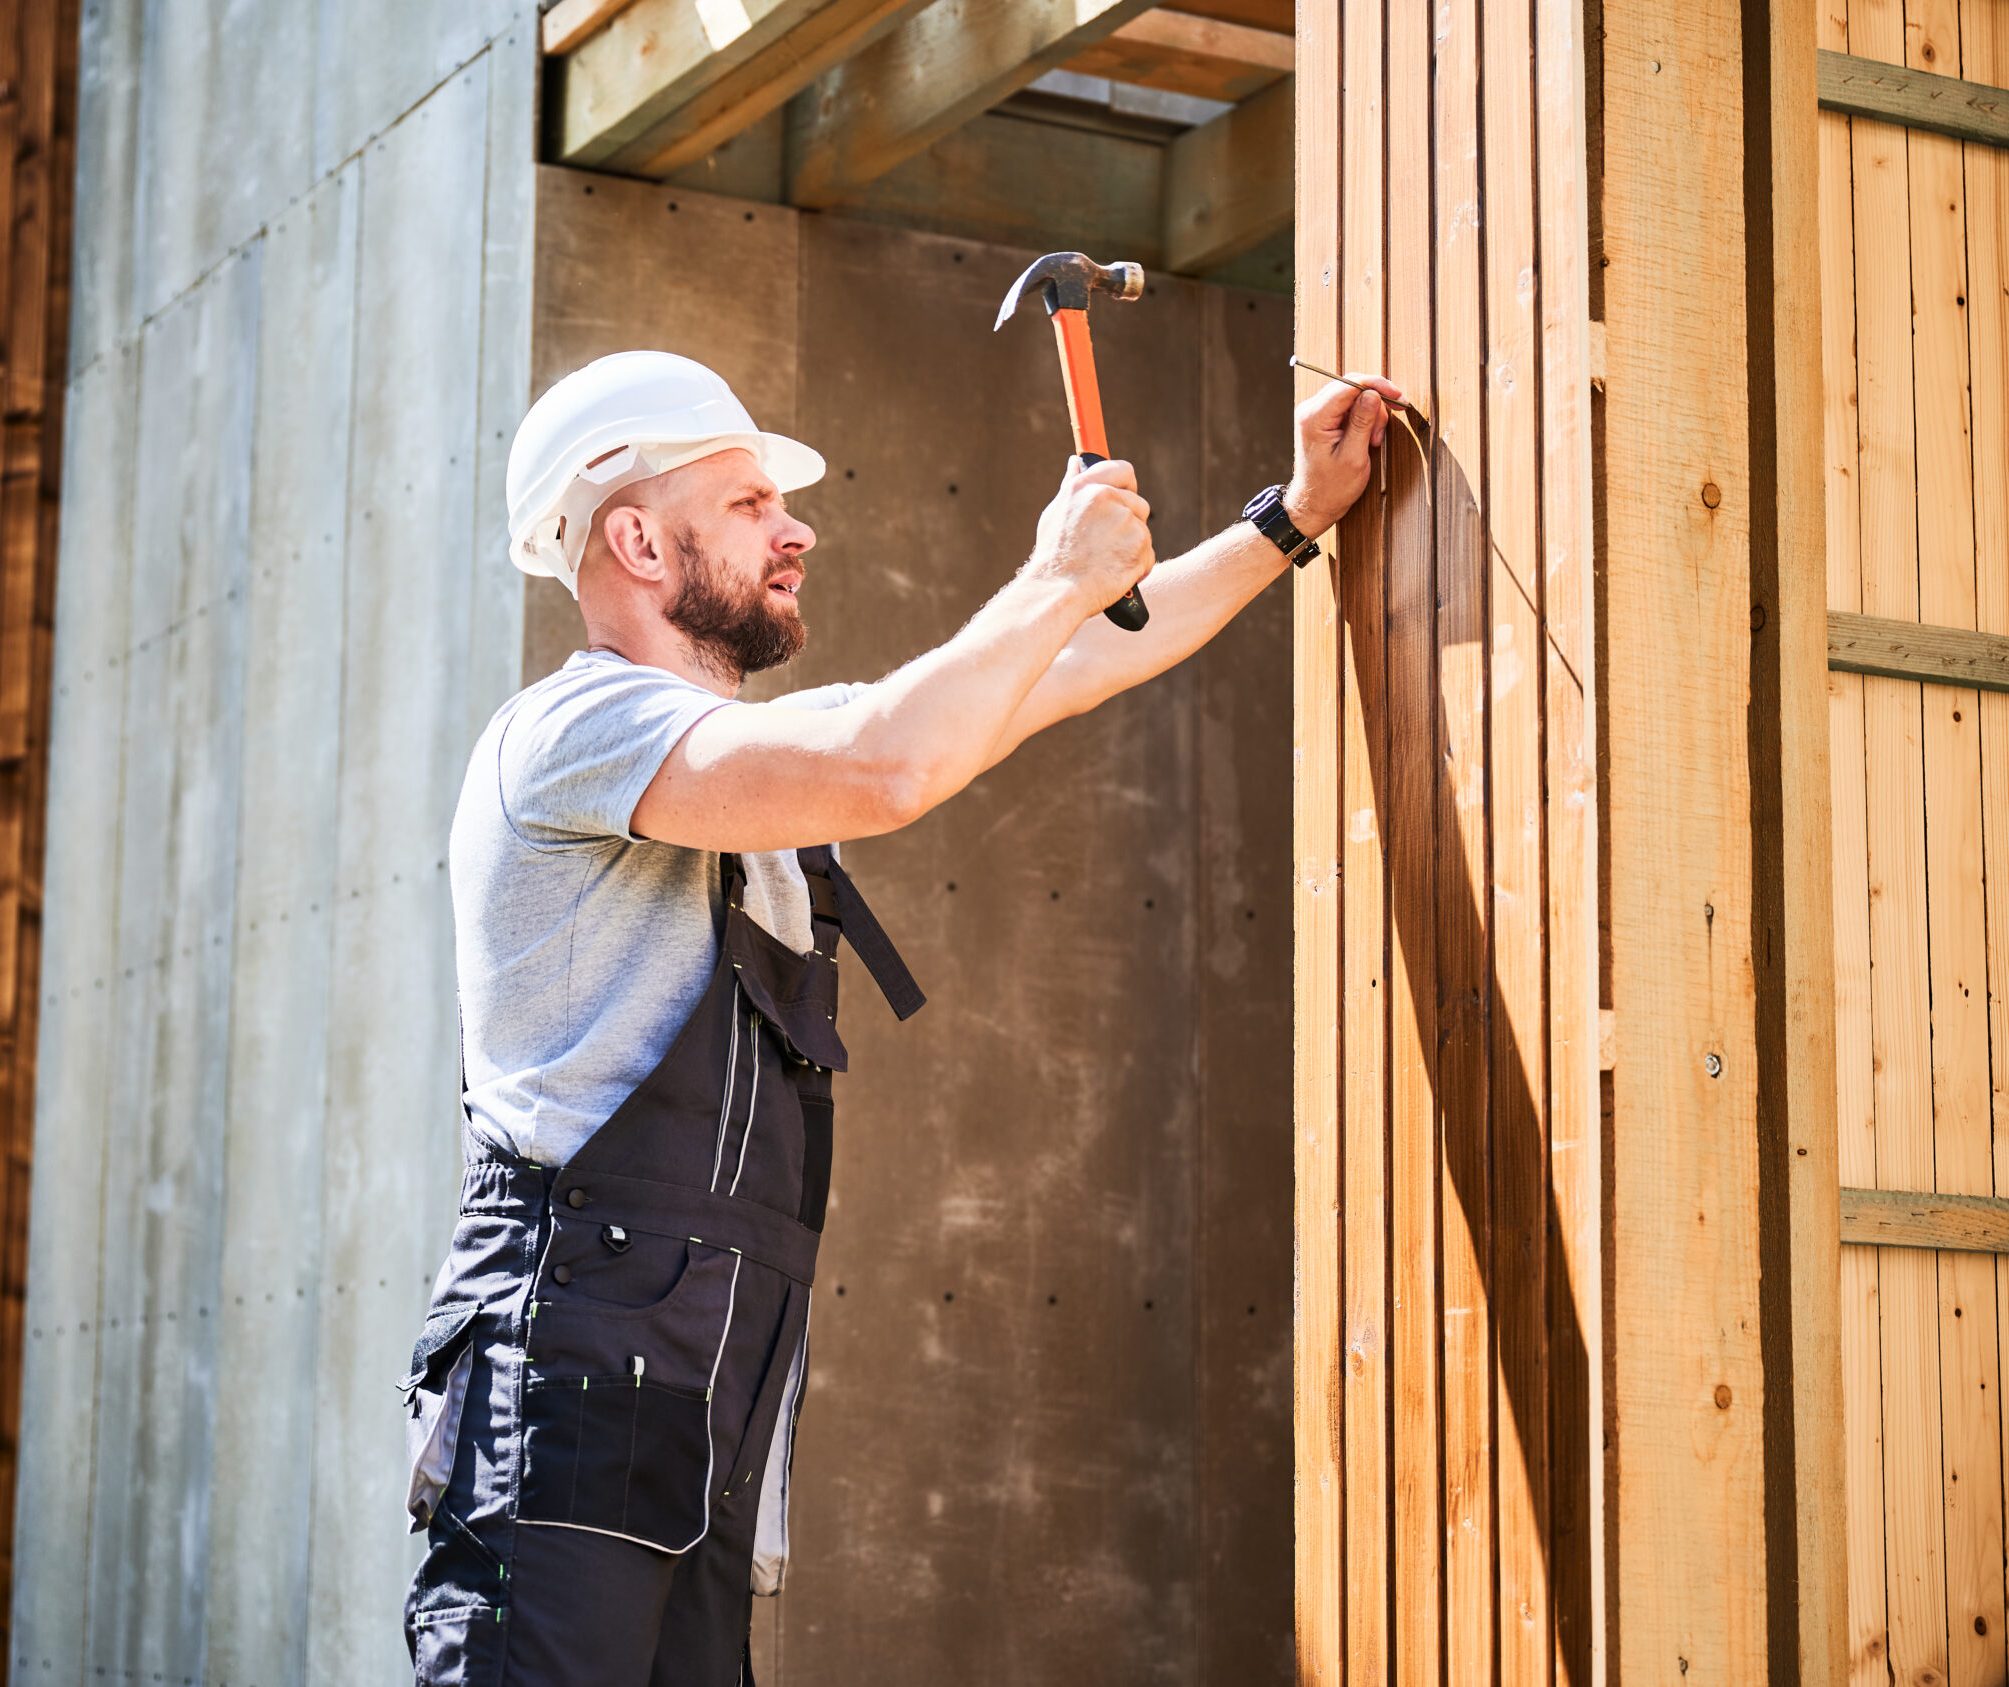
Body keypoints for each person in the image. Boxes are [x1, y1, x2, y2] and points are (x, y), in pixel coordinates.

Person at [400, 349, 1394, 1685]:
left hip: (697, 1419)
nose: (796, 526)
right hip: (558, 1404)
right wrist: (1049, 573)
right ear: (635, 537)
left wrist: (1289, 518)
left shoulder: (753, 788)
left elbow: (1066, 669)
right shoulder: (568, 735)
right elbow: (888, 760)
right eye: (750, 503)